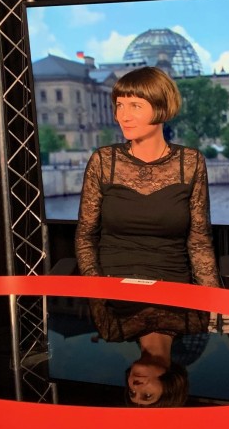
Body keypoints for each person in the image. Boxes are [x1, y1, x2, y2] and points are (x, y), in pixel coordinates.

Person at [75, 66, 220, 287]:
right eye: (120, 106)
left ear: (161, 108)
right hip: (112, 289)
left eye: (135, 106)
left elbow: (199, 243)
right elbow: (85, 238)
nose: (123, 116)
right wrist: (97, 292)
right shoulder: (103, 161)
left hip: (173, 286)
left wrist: (213, 304)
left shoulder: (190, 163)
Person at [123, 332, 189, 408]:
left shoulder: (113, 327)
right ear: (170, 387)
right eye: (148, 395)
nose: (135, 386)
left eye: (132, 392)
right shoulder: (195, 323)